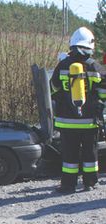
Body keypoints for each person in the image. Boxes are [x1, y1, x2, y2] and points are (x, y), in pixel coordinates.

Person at [50, 27, 106, 193]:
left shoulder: (63, 65)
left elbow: (53, 89)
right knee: (90, 154)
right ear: (90, 46)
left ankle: (68, 185)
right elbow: (104, 93)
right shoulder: (95, 67)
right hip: (89, 122)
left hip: (67, 122)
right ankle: (90, 182)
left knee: (69, 156)